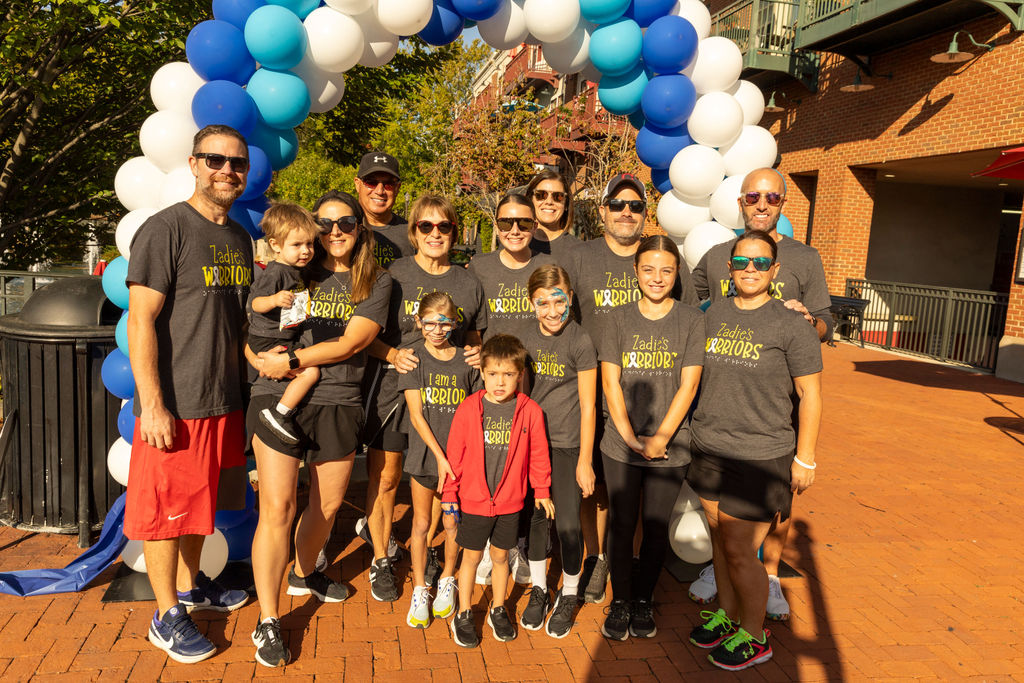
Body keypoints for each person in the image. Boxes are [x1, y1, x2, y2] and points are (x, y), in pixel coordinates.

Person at [245, 190, 392, 668]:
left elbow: (355, 342)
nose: (334, 233)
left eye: (345, 223)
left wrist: (291, 358)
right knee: (279, 508)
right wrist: (255, 360)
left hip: (338, 401)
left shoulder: (377, 282)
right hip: (279, 400)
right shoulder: (294, 269)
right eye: (324, 224)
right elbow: (249, 323)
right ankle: (268, 620)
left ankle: (305, 572)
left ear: (360, 227)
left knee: (326, 506)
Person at [124, 124, 253, 664]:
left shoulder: (239, 237)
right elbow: (140, 321)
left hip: (225, 401)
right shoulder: (166, 228)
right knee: (165, 514)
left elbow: (237, 323)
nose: (227, 170)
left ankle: (192, 585)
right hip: (177, 405)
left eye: (237, 163)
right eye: (216, 160)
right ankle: (164, 615)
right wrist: (152, 403)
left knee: (199, 510)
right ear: (195, 165)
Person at [688, 167, 832, 619]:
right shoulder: (713, 257)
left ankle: (766, 577)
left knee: (772, 506)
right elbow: (686, 311)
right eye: (753, 197)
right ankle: (733, 587)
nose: (762, 204)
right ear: (741, 203)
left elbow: (825, 329)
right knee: (724, 535)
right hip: (718, 421)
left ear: (784, 203)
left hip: (775, 412)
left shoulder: (805, 260)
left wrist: (807, 323)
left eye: (772, 197)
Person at [564, 172, 699, 604]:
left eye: (636, 205)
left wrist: (658, 437)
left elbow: (691, 355)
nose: (627, 211)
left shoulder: (680, 297)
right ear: (602, 209)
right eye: (618, 204)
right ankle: (599, 560)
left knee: (646, 513)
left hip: (662, 425)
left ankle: (637, 584)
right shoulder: (581, 259)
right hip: (595, 401)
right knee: (598, 493)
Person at [361, 194, 487, 603]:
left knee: (436, 478)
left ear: (454, 231)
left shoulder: (468, 282)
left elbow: (474, 339)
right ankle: (381, 556)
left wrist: (475, 352)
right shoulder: (392, 275)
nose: (435, 234)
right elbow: (366, 334)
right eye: (426, 226)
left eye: (444, 226)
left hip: (446, 400)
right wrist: (392, 353)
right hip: (396, 393)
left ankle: (429, 550)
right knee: (387, 477)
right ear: (413, 232)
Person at [597, 235, 705, 641]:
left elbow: (688, 385)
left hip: (670, 447)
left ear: (677, 274)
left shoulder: (692, 320)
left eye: (666, 270)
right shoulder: (617, 319)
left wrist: (660, 437)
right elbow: (610, 381)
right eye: (648, 269)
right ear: (636, 272)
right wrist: (628, 435)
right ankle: (621, 599)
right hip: (619, 446)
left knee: (656, 526)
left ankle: (644, 600)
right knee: (623, 525)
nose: (656, 278)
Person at [442, 335, 553, 648]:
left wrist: (542, 490)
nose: (500, 382)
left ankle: (499, 607)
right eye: (493, 374)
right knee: (472, 558)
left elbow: (539, 455)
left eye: (508, 375)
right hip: (474, 501)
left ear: (520, 375)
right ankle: (463, 612)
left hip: (510, 502)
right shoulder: (468, 408)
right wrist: (450, 495)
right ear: (482, 373)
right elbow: (455, 456)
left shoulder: (530, 411)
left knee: (502, 556)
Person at [517, 264, 598, 638]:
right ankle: (538, 589)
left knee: (567, 524)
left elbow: (588, 404)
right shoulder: (522, 337)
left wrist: (584, 460)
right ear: (531, 304)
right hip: (531, 447)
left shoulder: (580, 341)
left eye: (559, 301)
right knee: (536, 521)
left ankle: (568, 593)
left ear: (571, 299)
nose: (552, 311)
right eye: (542, 303)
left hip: (567, 446)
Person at [400, 291, 483, 628]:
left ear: (454, 323)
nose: (436, 329)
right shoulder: (414, 358)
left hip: (460, 460)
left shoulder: (467, 360)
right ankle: (420, 587)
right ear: (419, 323)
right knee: (421, 524)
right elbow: (416, 416)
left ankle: (447, 577)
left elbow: (479, 409)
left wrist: (458, 459)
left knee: (451, 523)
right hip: (426, 457)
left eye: (444, 323)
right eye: (430, 323)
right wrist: (439, 456)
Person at [247, 203, 321, 444]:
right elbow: (255, 304)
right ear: (276, 246)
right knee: (310, 371)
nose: (305, 251)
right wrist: (274, 299)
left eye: (309, 244)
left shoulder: (297, 271)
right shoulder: (276, 272)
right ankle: (280, 413)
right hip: (268, 338)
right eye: (297, 245)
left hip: (282, 336)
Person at [468, 193, 556, 340]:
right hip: (492, 361)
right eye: (506, 223)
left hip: (538, 360)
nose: (515, 231)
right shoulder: (479, 266)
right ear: (496, 227)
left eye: (524, 224)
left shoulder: (548, 266)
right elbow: (471, 327)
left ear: (534, 227)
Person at [355, 151, 413, 268]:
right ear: (357, 184)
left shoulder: (413, 234)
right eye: (371, 182)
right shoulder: (343, 230)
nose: (379, 191)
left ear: (397, 188)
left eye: (388, 184)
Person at [526, 169, 579, 265]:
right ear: (530, 200)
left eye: (558, 196)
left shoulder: (579, 251)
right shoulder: (516, 243)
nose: (549, 201)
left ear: (566, 204)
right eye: (541, 195)